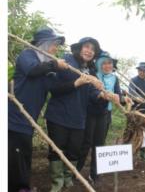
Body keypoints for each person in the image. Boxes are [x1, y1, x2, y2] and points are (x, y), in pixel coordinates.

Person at [44, 37, 111, 192]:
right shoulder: (66, 62)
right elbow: (54, 88)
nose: (89, 51)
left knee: (75, 149)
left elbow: (91, 94)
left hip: (79, 118)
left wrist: (101, 96)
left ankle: (68, 180)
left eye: (93, 49)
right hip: (59, 115)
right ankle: (57, 182)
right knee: (57, 148)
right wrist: (76, 83)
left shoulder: (91, 70)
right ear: (79, 48)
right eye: (86, 47)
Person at [8, 28, 68, 192]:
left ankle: (22, 186)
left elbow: (56, 87)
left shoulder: (47, 68)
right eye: (54, 44)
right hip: (13, 116)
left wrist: (79, 81)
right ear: (44, 44)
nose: (56, 49)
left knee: (24, 154)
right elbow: (33, 70)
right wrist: (55, 64)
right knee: (16, 156)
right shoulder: (28, 55)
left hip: (28, 119)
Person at [77, 51, 130, 184]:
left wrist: (124, 99)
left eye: (109, 63)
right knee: (86, 143)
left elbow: (117, 95)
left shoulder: (114, 78)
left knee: (99, 144)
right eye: (104, 63)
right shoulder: (93, 75)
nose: (107, 66)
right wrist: (102, 95)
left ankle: (94, 174)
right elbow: (90, 94)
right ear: (99, 64)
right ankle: (75, 171)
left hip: (105, 115)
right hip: (91, 113)